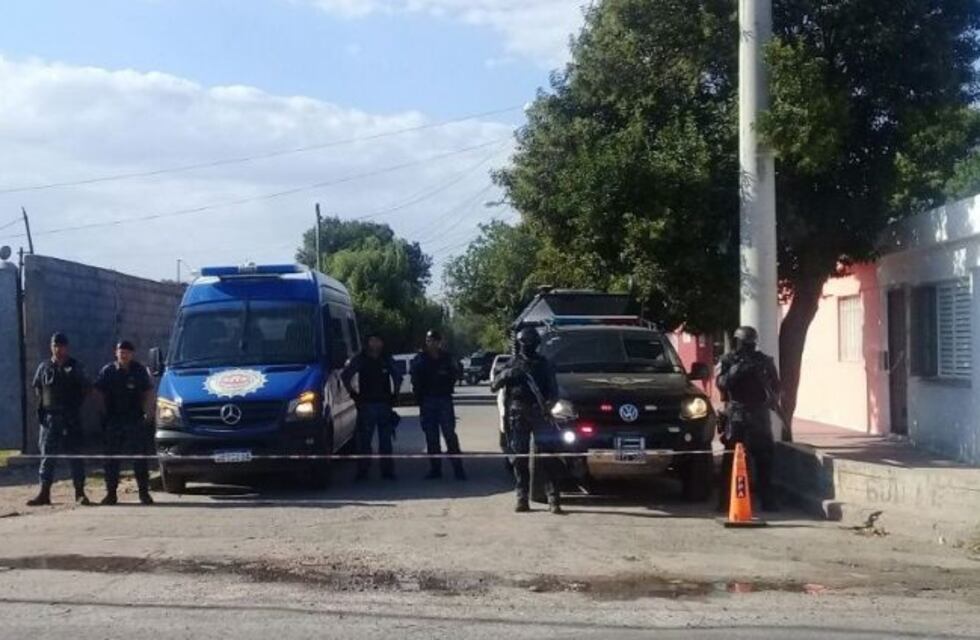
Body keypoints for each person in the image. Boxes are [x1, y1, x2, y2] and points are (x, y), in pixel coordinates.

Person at [491, 327, 563, 514]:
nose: (527, 346)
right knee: (520, 459)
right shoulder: (513, 363)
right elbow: (494, 385)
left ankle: (553, 498)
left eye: (530, 342)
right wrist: (508, 374)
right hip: (518, 413)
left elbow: (554, 392)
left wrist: (547, 406)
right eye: (525, 342)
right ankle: (522, 497)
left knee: (547, 458)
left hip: (540, 413)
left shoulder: (544, 364)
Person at [715, 326, 781, 512]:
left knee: (764, 459)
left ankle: (768, 500)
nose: (745, 346)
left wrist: (770, 397)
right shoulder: (728, 360)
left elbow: (776, 386)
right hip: (736, 413)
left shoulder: (765, 361)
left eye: (748, 343)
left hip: (758, 414)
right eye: (743, 343)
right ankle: (726, 501)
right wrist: (736, 371)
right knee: (731, 459)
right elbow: (721, 384)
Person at [27, 332, 91, 507]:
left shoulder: (75, 366)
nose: (58, 349)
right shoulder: (45, 366)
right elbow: (38, 388)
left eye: (61, 346)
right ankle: (44, 493)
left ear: (66, 347)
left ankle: (79, 492)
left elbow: (86, 388)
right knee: (47, 456)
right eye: (55, 346)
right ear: (51, 347)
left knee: (75, 456)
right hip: (50, 418)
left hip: (70, 418)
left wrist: (74, 406)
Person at [94, 340, 154, 505]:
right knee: (111, 459)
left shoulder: (139, 370)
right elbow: (98, 392)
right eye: (121, 351)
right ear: (116, 353)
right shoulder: (108, 371)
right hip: (114, 419)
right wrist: (103, 415)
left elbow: (148, 392)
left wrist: (148, 415)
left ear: (132, 354)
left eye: (127, 351)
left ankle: (144, 493)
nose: (124, 354)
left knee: (139, 458)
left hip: (134, 419)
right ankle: (111, 494)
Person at [341, 334, 402, 481]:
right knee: (364, 442)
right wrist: (354, 395)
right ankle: (363, 471)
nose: (375, 344)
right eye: (372, 340)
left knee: (385, 441)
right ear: (367, 342)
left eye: (378, 340)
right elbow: (345, 375)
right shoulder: (361, 359)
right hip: (366, 405)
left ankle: (387, 471)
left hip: (384, 404)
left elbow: (397, 376)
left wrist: (395, 395)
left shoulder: (386, 359)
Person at [410, 330, 465, 481]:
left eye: (434, 340)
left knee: (450, 435)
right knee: (431, 437)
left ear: (440, 342)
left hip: (444, 399)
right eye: (429, 340)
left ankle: (458, 469)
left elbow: (456, 373)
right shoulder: (420, 359)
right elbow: (415, 379)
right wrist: (419, 398)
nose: (432, 343)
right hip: (427, 400)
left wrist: (448, 384)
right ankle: (435, 470)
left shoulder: (447, 358)